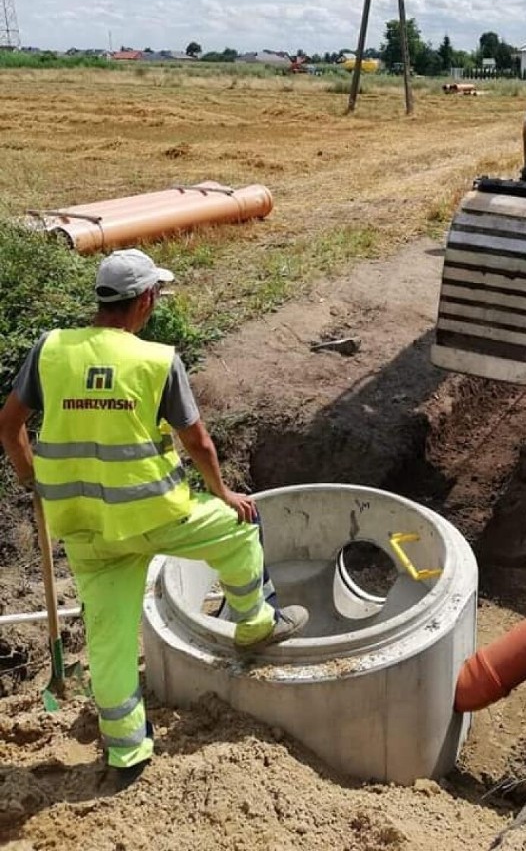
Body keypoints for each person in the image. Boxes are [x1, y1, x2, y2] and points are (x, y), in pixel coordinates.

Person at [0, 248, 308, 778]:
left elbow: (9, 425)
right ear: (145, 299)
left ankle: (126, 752)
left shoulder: (50, 349)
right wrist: (225, 493)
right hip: (155, 516)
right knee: (240, 530)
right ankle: (256, 625)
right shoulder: (156, 361)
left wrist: (33, 479)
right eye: (156, 295)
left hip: (84, 529)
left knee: (110, 637)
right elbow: (200, 442)